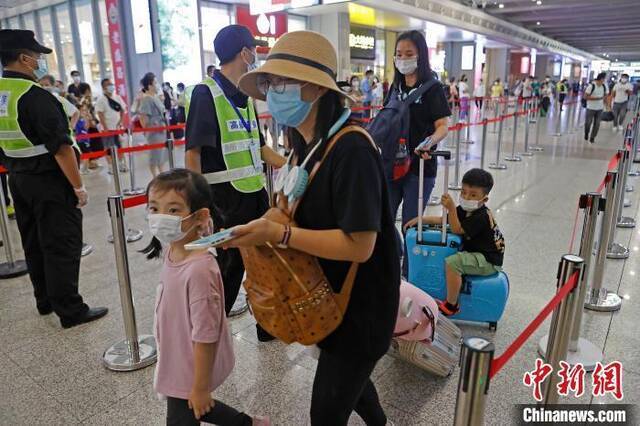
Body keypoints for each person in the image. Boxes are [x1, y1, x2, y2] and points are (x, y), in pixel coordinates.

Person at [233, 29, 400, 425]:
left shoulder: (352, 149)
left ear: (314, 88)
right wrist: (264, 226)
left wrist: (281, 234)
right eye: (268, 82)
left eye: (279, 82)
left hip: (361, 306)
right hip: (325, 297)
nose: (272, 91)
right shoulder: (303, 142)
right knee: (354, 388)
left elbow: (360, 246)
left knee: (326, 412)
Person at [141, 169, 269, 426]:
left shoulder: (199, 269)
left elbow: (206, 333)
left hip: (191, 362)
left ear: (200, 216)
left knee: (190, 407)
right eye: (154, 209)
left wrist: (200, 387)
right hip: (175, 352)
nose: (160, 218)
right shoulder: (173, 250)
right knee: (196, 407)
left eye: (174, 210)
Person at [184, 25, 285, 341]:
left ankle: (266, 326)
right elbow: (193, 154)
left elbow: (260, 147)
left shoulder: (246, 95)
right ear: (245, 52)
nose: (255, 56)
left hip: (255, 194)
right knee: (229, 269)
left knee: (263, 262)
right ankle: (207, 337)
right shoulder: (206, 93)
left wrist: (297, 164)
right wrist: (200, 207)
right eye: (253, 50)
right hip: (224, 200)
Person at [0, 29, 107, 327]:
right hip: (49, 179)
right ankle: (71, 310)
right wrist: (78, 186)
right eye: (36, 56)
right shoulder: (35, 96)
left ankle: (45, 300)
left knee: (32, 240)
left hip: (17, 178)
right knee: (61, 242)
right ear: (23, 58)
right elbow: (62, 148)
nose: (39, 62)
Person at [387, 30, 450, 276]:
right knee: (384, 217)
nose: (403, 59)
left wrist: (430, 142)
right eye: (399, 54)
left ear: (420, 55)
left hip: (419, 167)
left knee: (411, 223)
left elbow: (442, 126)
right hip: (391, 165)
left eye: (409, 54)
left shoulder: (432, 87)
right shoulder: (395, 86)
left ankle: (407, 275)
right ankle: (389, 263)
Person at [404, 168, 504, 316]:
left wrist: (451, 208)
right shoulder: (465, 209)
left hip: (489, 260)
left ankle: (452, 305)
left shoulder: (481, 216)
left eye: (473, 195)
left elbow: (457, 228)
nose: (466, 197)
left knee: (453, 262)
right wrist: (420, 220)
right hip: (480, 254)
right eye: (463, 192)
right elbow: (445, 221)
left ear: (484, 199)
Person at [138, 72, 169, 177]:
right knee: (155, 155)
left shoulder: (155, 97)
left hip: (161, 129)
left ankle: (162, 175)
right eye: (155, 82)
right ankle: (155, 176)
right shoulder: (147, 98)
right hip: (154, 131)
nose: (157, 84)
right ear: (150, 85)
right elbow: (143, 117)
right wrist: (148, 129)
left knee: (161, 155)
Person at [95, 78, 127, 172]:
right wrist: (105, 127)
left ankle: (121, 164)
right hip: (107, 129)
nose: (111, 86)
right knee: (108, 148)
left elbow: (123, 109)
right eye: (108, 84)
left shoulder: (117, 97)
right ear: (103, 87)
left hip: (117, 128)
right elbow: (100, 114)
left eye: (111, 84)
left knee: (120, 146)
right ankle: (111, 167)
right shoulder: (101, 99)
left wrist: (121, 121)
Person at [584, 72, 609, 144]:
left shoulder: (604, 86)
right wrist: (597, 98)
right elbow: (585, 96)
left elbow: (605, 96)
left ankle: (592, 137)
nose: (605, 80)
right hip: (590, 108)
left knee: (597, 124)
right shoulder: (591, 86)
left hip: (600, 109)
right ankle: (586, 133)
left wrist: (607, 106)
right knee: (588, 123)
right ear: (601, 79)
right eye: (604, 79)